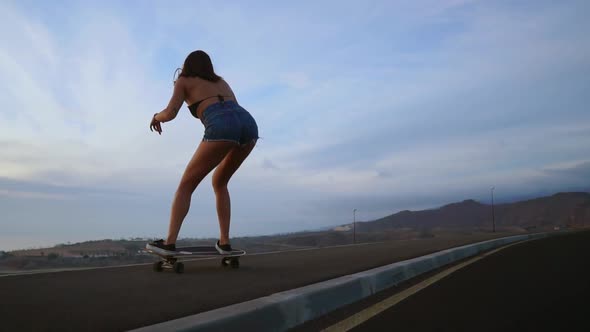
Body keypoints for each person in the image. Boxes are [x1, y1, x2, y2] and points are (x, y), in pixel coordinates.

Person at [146, 50, 258, 255]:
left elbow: (170, 113)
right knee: (220, 181)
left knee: (186, 185)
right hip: (248, 123)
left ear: (187, 65)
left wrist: (156, 117)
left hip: (222, 123)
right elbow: (234, 110)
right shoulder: (221, 82)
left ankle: (169, 243)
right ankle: (224, 242)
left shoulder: (184, 80)